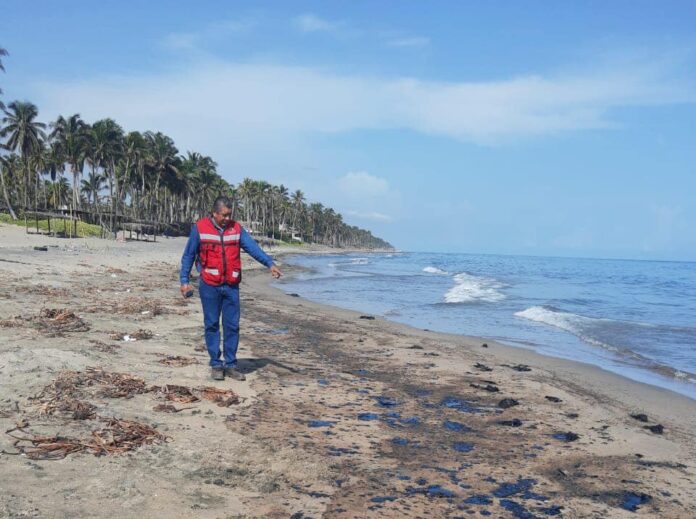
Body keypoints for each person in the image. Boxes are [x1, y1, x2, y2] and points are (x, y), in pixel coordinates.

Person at [180, 196, 282, 381]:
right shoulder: (200, 228)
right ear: (215, 213)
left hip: (231, 285)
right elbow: (188, 255)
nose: (228, 219)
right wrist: (184, 280)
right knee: (211, 324)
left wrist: (270, 264)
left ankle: (231, 364)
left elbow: (253, 248)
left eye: (230, 215)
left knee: (232, 326)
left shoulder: (236, 229)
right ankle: (216, 364)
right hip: (209, 285)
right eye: (224, 215)